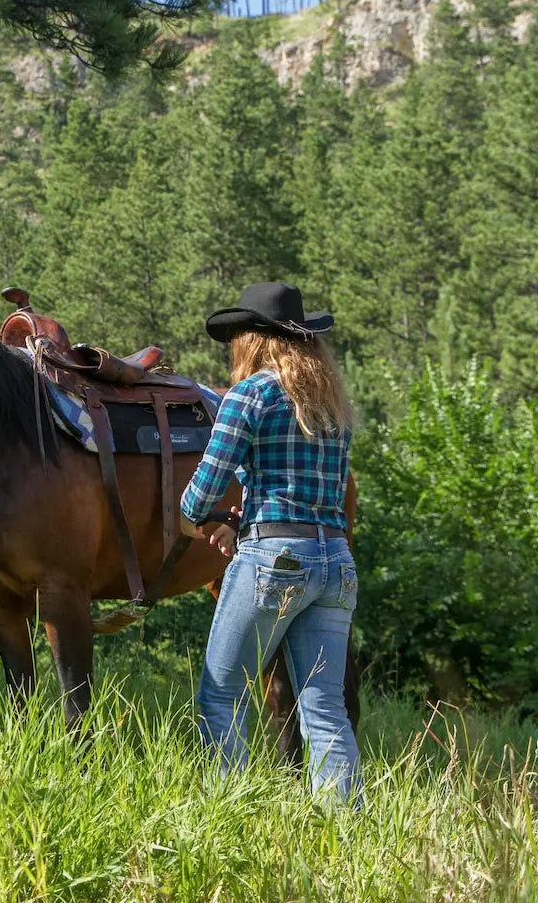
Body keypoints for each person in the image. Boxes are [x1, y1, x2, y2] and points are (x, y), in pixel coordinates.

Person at [179, 281, 361, 804]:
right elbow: (312, 494)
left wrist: (205, 521)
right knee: (324, 707)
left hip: (274, 561)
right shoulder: (332, 406)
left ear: (254, 341)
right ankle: (347, 831)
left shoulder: (250, 395)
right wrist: (242, 519)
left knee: (221, 695)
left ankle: (233, 816)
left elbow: (197, 500)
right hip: (335, 560)